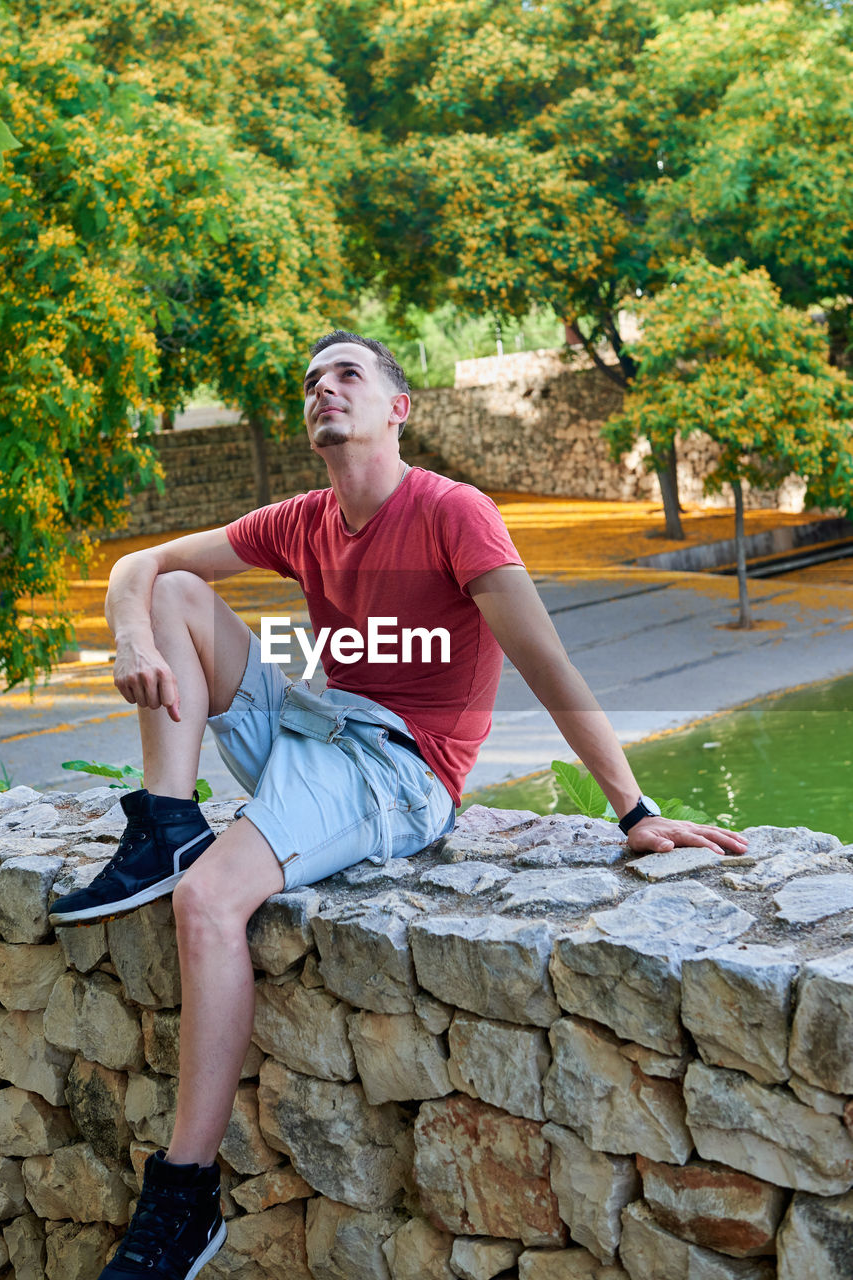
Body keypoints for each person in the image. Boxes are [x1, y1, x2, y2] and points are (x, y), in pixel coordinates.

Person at [49, 330, 747, 1280]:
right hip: (313, 728)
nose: (323, 391)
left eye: (346, 376)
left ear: (396, 409)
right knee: (173, 589)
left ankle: (183, 1193)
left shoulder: (454, 513)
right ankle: (166, 822)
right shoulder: (302, 518)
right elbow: (138, 569)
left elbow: (547, 664)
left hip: (395, 769)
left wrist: (632, 812)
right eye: (310, 382)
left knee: (208, 903)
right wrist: (133, 633)